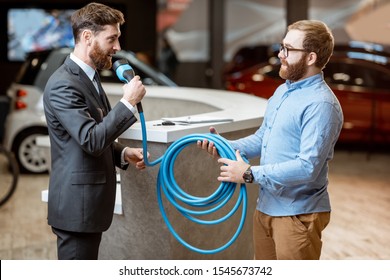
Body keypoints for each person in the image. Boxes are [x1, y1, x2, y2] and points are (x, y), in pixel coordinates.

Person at [198, 20, 343, 260]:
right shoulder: (283, 91)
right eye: (281, 46)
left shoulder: (321, 104)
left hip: (296, 215)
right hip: (266, 207)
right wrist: (225, 145)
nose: (280, 54)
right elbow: (263, 137)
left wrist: (248, 174)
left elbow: (307, 167)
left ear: (310, 58)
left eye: (288, 49)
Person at [43, 2, 147, 260]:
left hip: (88, 208)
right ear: (87, 37)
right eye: (112, 39)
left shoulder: (89, 77)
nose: (118, 47)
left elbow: (92, 136)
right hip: (76, 209)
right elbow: (91, 140)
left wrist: (122, 154)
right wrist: (128, 103)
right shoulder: (63, 85)